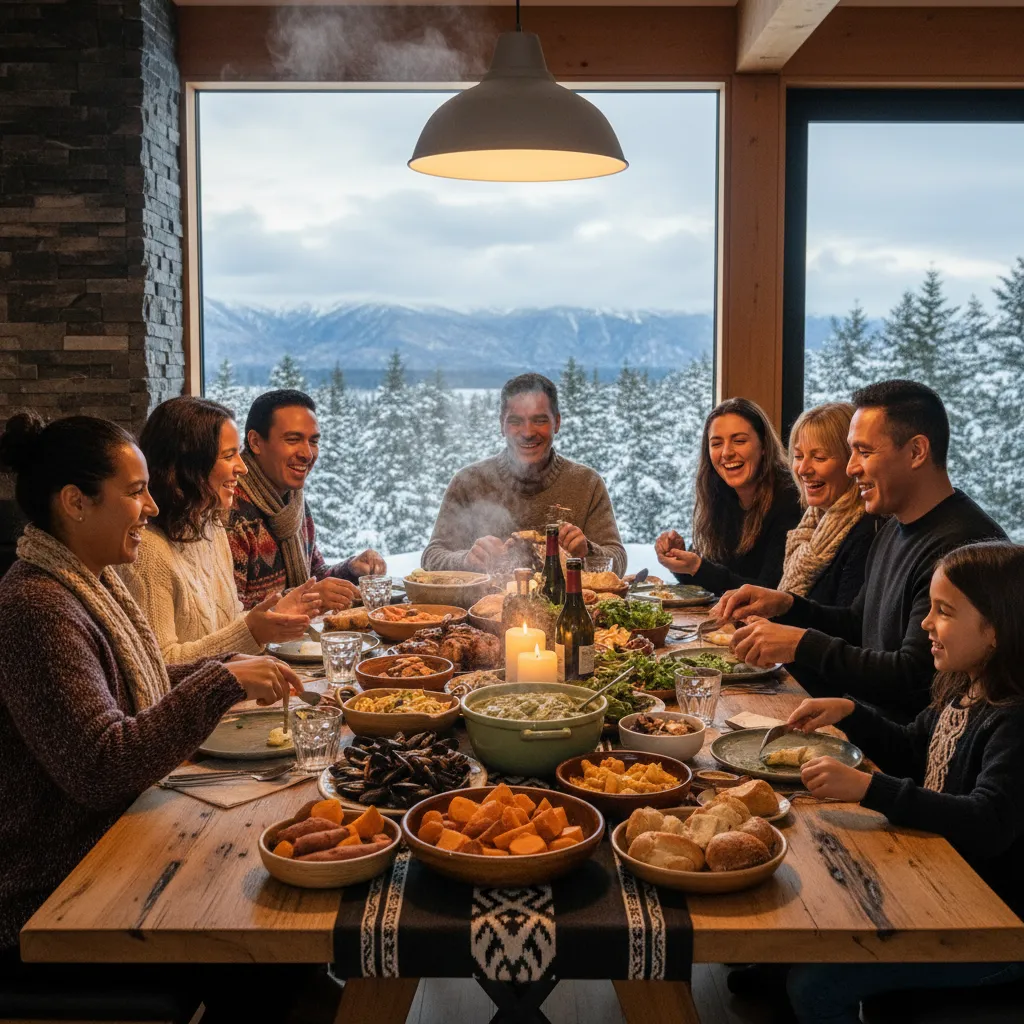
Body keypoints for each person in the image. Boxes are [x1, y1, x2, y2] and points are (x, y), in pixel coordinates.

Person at [0, 412, 319, 1018]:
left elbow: (133, 684)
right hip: (57, 892)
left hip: (115, 851)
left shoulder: (85, 581)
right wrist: (221, 681)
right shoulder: (37, 607)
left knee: (281, 898)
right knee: (267, 927)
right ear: (75, 502)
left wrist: (228, 669)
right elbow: (102, 765)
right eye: (134, 491)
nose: (149, 508)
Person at [783, 541, 1024, 1024]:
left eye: (944, 612)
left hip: (997, 929)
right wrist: (850, 712)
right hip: (946, 887)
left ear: (996, 629)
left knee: (815, 987)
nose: (926, 623)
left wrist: (869, 789)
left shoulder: (1013, 718)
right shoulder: (966, 687)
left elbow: (988, 821)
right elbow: (914, 748)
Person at [714, 380, 1006, 722]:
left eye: (864, 452)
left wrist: (801, 644)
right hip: (871, 727)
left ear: (916, 452)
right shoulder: (892, 526)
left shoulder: (963, 547)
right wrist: (786, 605)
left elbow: (913, 678)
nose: (852, 467)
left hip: (907, 744)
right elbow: (857, 625)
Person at [121, 396, 320, 663]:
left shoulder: (210, 527)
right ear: (191, 465)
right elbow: (160, 664)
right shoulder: (148, 552)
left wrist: (274, 615)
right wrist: (252, 631)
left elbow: (227, 624)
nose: (242, 467)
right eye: (228, 456)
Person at [422, 373, 626, 574]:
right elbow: (432, 556)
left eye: (539, 420)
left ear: (557, 422)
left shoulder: (586, 484)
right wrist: (466, 560)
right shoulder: (469, 482)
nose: (528, 432)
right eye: (516, 421)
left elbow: (617, 559)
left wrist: (587, 551)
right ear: (502, 425)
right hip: (483, 597)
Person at [229, 389, 386, 610]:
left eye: (313, 441)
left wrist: (351, 568)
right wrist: (308, 597)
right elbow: (230, 613)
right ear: (255, 442)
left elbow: (314, 575)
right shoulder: (229, 509)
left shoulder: (293, 499)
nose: (307, 454)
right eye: (293, 440)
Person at [655, 397, 801, 592]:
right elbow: (713, 581)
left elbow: (772, 593)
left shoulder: (790, 501)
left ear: (764, 446)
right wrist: (680, 559)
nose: (726, 453)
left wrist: (697, 567)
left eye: (739, 441)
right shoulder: (720, 496)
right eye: (716, 444)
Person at [778, 401, 878, 607]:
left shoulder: (868, 530)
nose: (803, 469)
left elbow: (847, 622)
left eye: (819, 457)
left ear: (852, 462)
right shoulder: (811, 521)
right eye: (798, 456)